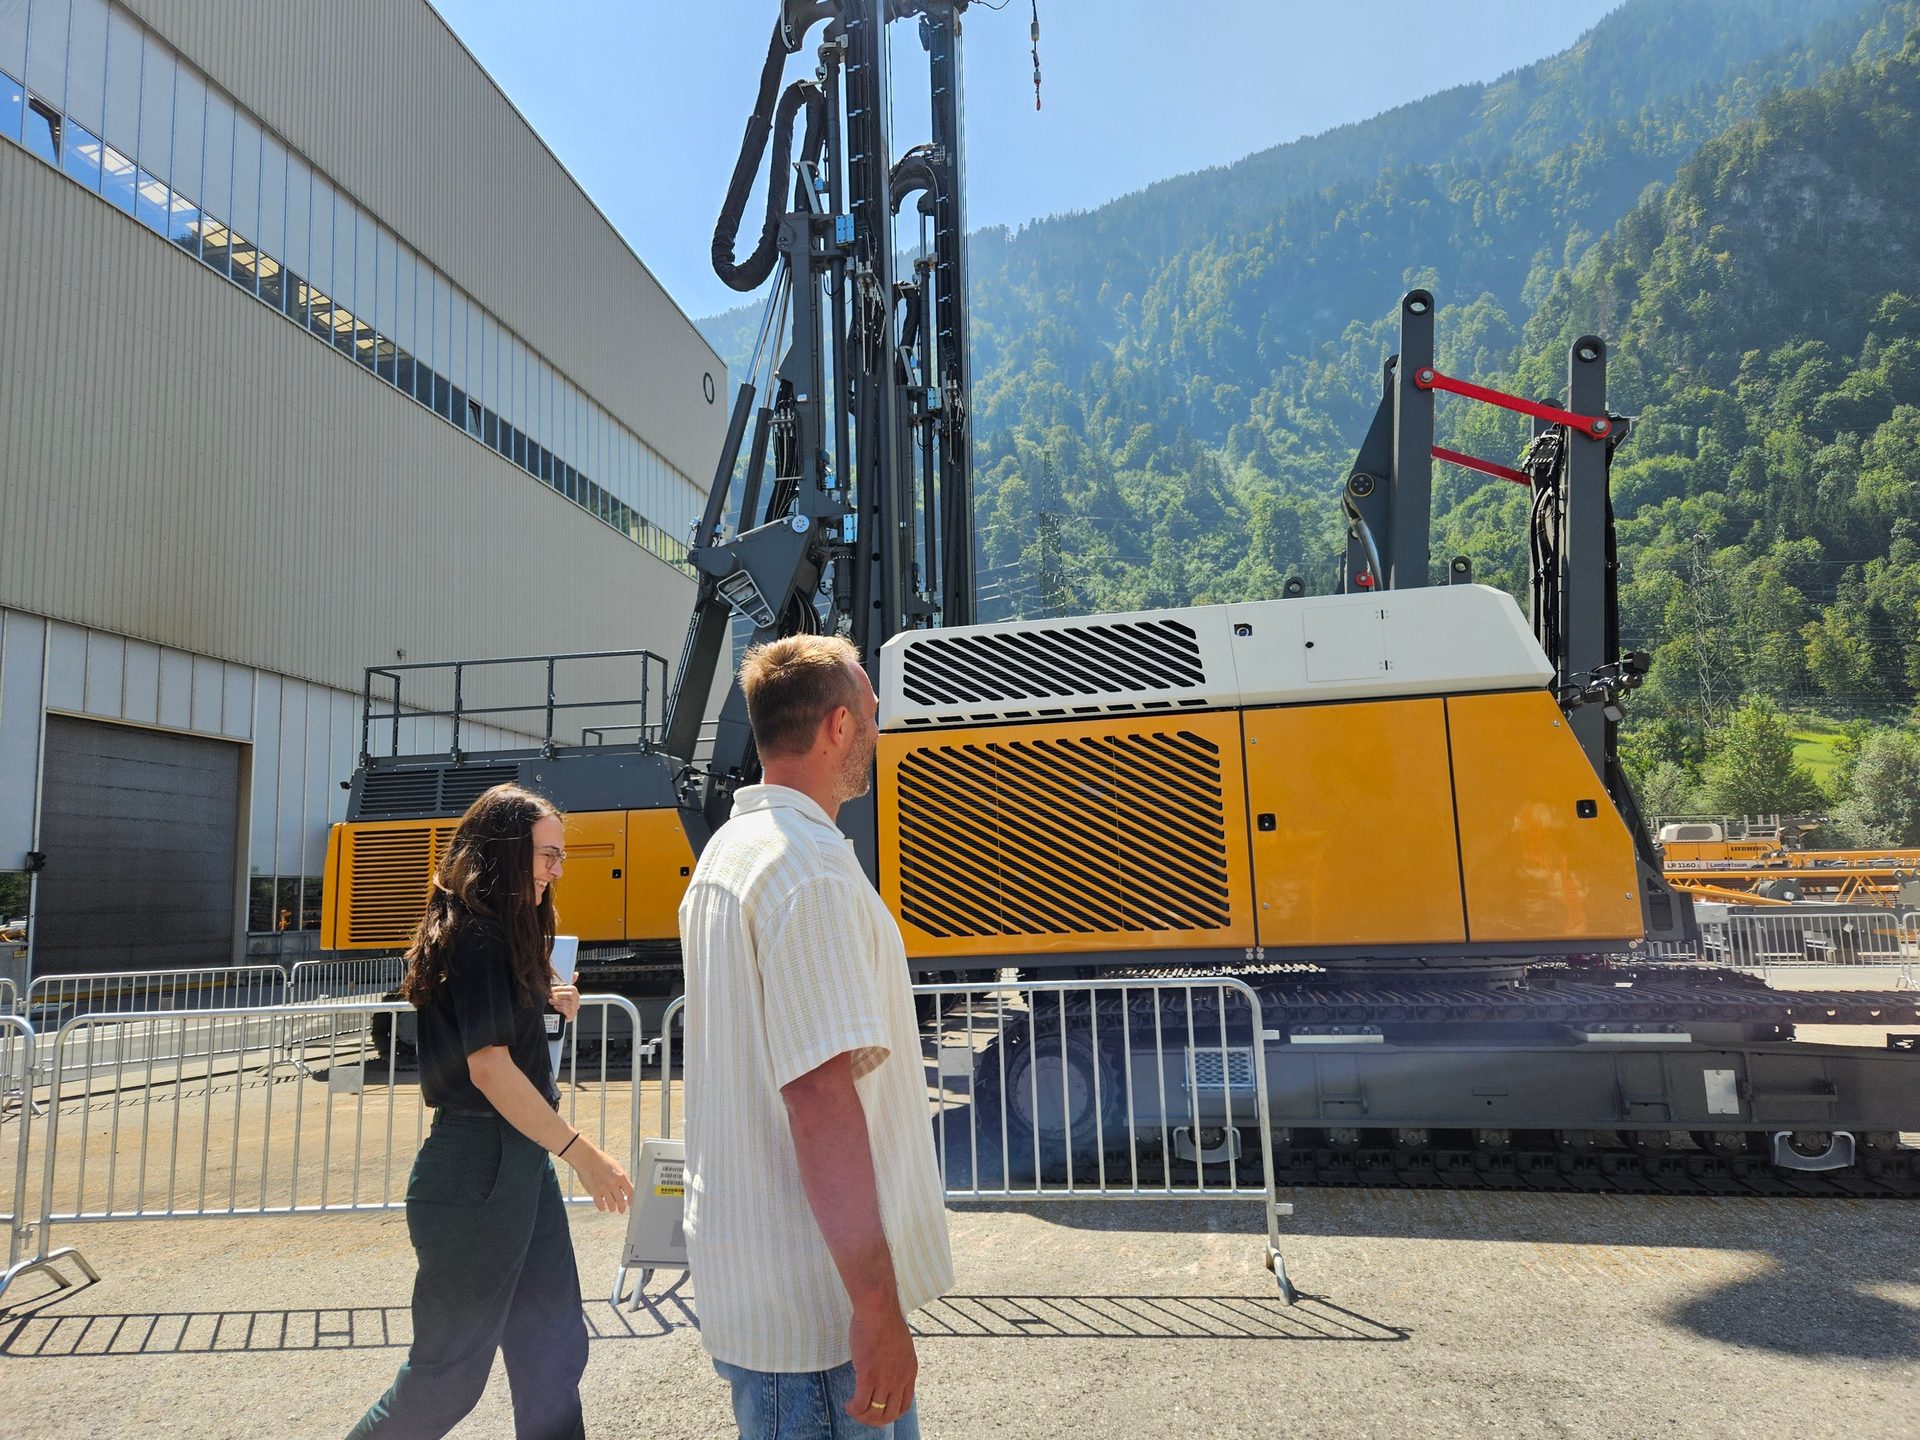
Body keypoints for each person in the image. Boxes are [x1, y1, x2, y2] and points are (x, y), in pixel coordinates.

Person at [679, 634, 954, 1438]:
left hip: (762, 1290)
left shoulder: (729, 857)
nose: (878, 730)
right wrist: (875, 1308)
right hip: (819, 1322)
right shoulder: (811, 874)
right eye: (871, 715)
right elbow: (821, 1096)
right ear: (836, 728)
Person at [348, 783, 633, 1440]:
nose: (558, 869)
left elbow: (495, 1034)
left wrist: (545, 998)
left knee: (552, 1352)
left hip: (516, 1166)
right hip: (475, 1169)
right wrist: (582, 1154)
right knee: (446, 1380)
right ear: (505, 853)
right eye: (548, 855)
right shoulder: (477, 937)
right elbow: (489, 1068)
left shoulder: (501, 935)